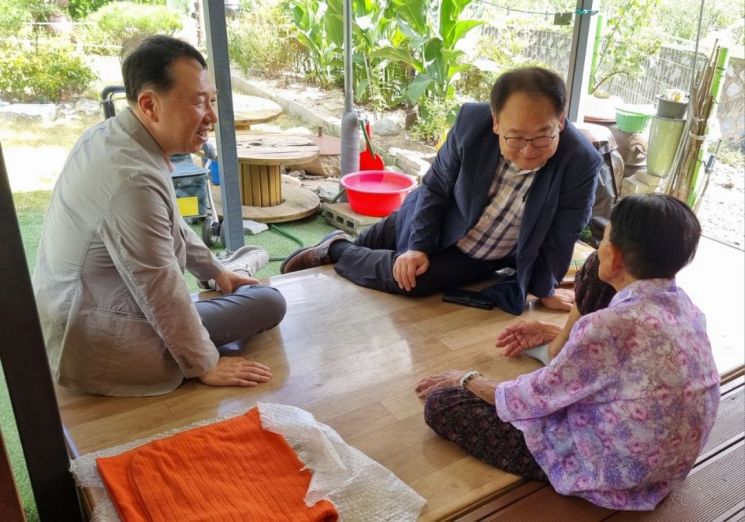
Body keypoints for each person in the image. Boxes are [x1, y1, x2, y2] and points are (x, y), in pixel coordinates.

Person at [414, 194, 720, 511]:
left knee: (443, 405)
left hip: (618, 474)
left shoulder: (609, 327)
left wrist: (466, 379)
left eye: (604, 238)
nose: (600, 245)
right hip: (669, 465)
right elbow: (622, 354)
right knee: (592, 272)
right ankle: (555, 350)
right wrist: (559, 335)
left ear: (614, 257)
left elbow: (531, 399)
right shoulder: (686, 308)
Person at [32, 35, 286, 397]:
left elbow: (171, 225)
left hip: (75, 314)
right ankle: (243, 267)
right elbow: (158, 286)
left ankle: (235, 268)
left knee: (238, 277)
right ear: (150, 105)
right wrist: (206, 363)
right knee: (268, 301)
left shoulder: (109, 135)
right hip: (99, 334)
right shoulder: (131, 178)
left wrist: (216, 272)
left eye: (212, 101)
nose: (212, 116)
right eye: (200, 103)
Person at [280, 67, 603, 314]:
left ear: (560, 121)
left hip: (481, 252)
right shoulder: (471, 124)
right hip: (436, 216)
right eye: (515, 138)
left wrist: (544, 289)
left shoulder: (581, 161)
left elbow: (565, 229)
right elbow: (435, 187)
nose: (528, 150)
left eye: (542, 136)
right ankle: (343, 248)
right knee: (393, 242)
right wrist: (418, 247)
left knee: (411, 279)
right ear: (496, 123)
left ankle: (335, 249)